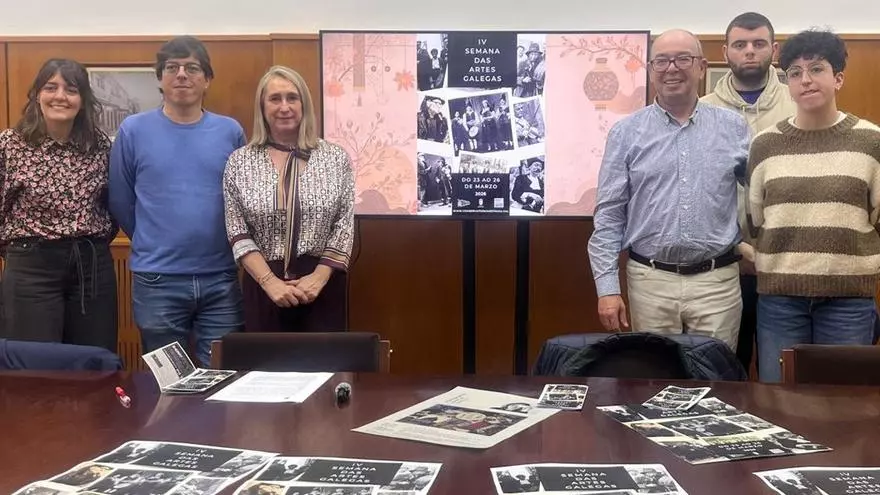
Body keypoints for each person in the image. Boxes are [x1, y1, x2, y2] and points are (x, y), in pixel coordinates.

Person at [587, 29, 750, 350]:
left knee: (714, 375)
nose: (671, 68)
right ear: (650, 70)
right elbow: (609, 216)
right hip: (650, 282)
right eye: (661, 61)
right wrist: (607, 289)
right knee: (655, 374)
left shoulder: (734, 127)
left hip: (716, 284)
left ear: (702, 67)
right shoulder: (625, 133)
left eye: (683, 59)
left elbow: (761, 195)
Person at [747, 29, 880, 383]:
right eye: (795, 73)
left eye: (816, 69)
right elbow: (755, 219)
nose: (805, 80)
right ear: (788, 84)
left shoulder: (871, 141)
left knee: (843, 401)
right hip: (779, 301)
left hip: (848, 302)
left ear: (838, 79)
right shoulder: (765, 144)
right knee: (779, 399)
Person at [109, 36, 246, 366]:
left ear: (207, 79)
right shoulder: (133, 130)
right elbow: (120, 199)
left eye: (192, 68)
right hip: (158, 279)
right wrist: (154, 237)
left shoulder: (230, 132)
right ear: (160, 78)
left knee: (223, 376)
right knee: (170, 384)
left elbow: (243, 198)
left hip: (221, 278)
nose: (182, 74)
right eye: (172, 67)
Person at [223, 65, 354, 333]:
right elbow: (237, 230)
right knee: (265, 361)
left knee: (324, 361)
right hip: (264, 285)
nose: (284, 107)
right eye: (275, 99)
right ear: (262, 107)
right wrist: (269, 282)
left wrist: (319, 278)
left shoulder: (335, 158)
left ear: (304, 104)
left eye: (292, 98)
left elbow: (344, 225)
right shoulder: (239, 162)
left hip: (322, 285)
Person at [0, 58, 118, 351]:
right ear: (37, 95)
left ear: (83, 100)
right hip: (31, 269)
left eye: (71, 89)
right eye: (50, 87)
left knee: (94, 358)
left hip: (91, 265)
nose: (60, 96)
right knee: (34, 363)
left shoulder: (100, 146)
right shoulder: (11, 145)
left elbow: (113, 204)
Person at [701, 12, 796, 372]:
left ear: (775, 49)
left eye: (759, 44)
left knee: (781, 371)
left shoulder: (798, 103)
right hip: (722, 266)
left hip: (786, 265)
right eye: (740, 44)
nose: (750, 51)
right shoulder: (703, 110)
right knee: (728, 368)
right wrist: (735, 247)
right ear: (725, 51)